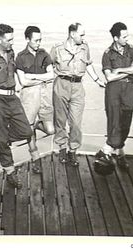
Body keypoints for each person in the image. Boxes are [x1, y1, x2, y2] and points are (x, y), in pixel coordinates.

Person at [0, 24, 33, 189]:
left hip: (12, 98)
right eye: (9, 40)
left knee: (26, 130)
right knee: (1, 139)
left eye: (12, 38)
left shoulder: (11, 53)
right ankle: (10, 172)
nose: (12, 42)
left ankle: (2, 139)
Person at [50, 22, 105, 167]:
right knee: (60, 120)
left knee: (76, 122)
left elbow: (88, 64)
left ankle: (73, 149)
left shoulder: (84, 47)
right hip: (61, 84)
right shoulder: (57, 48)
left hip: (78, 86)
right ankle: (62, 148)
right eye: (81, 34)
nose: (83, 37)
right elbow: (49, 66)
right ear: (72, 34)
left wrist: (97, 80)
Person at [94, 22, 133, 174]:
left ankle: (105, 150)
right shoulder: (108, 54)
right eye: (124, 37)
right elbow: (109, 77)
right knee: (114, 121)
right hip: (113, 90)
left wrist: (120, 69)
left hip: (129, 89)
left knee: (126, 122)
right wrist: (130, 71)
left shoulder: (132, 49)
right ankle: (119, 155)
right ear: (115, 38)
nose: (127, 39)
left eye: (127, 36)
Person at [15, 26, 55, 174]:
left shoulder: (44, 54)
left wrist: (33, 76)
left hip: (44, 94)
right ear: (27, 39)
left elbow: (51, 75)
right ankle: (35, 156)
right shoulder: (20, 57)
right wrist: (39, 78)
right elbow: (23, 82)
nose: (39, 43)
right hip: (29, 95)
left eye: (40, 40)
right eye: (36, 40)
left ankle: (38, 124)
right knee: (28, 130)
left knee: (51, 130)